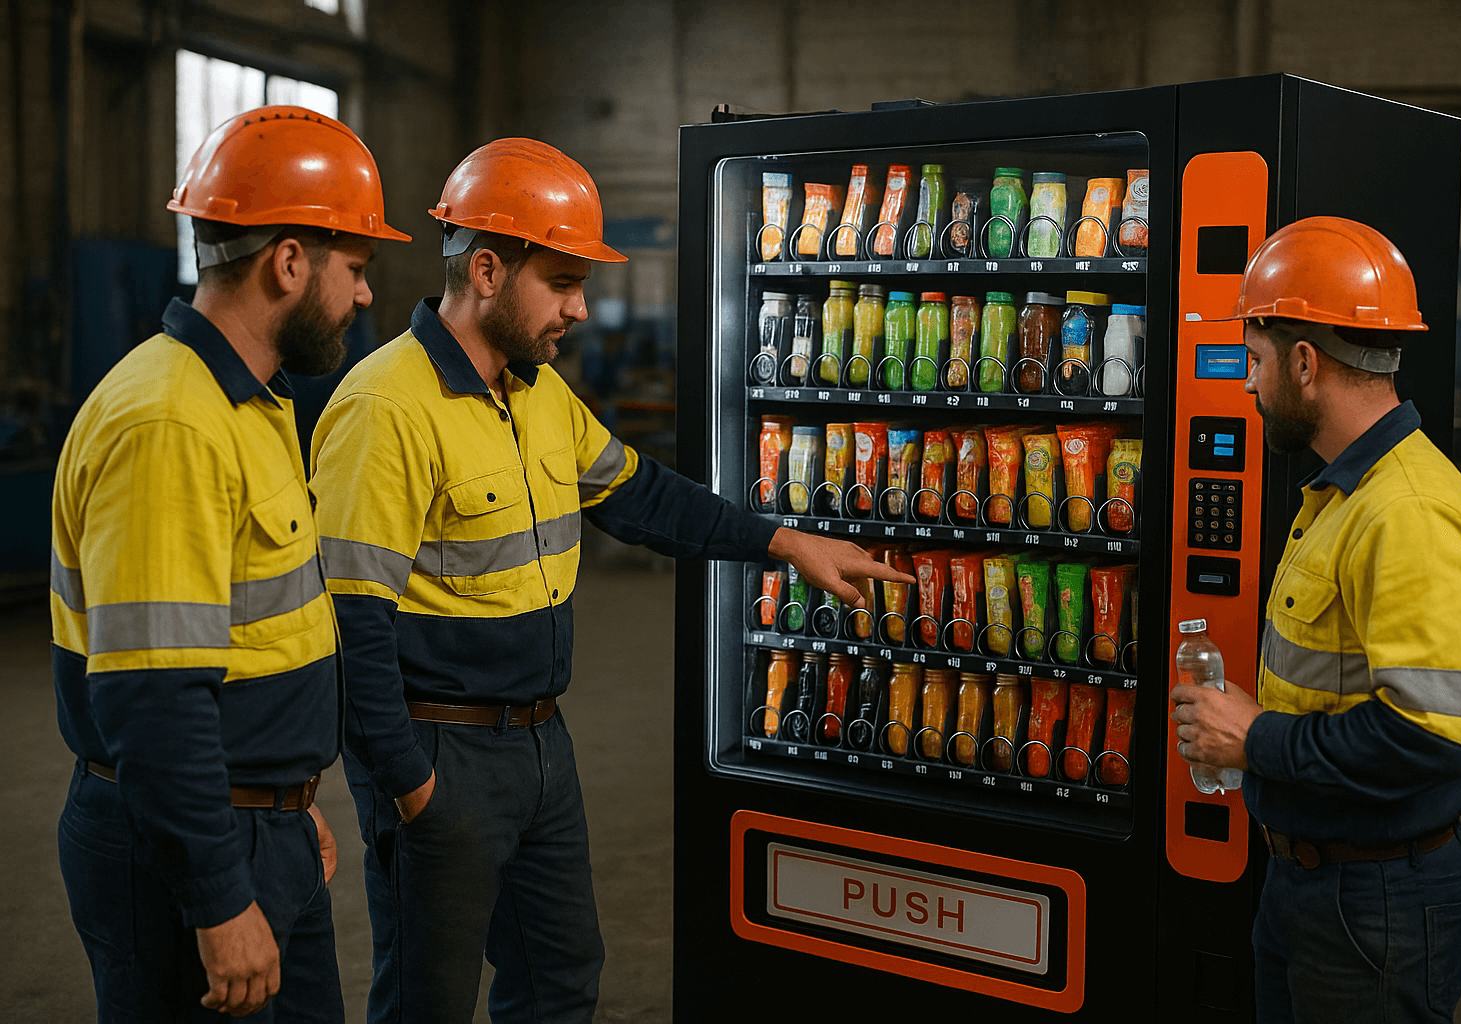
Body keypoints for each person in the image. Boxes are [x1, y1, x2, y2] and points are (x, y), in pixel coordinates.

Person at [308, 138, 909, 1023]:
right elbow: (352, 619)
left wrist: (783, 540)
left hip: (542, 744)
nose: (581, 309)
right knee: (427, 1001)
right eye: (561, 282)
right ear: (485, 269)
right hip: (441, 752)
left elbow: (641, 498)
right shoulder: (383, 409)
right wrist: (407, 783)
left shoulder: (538, 393)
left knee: (560, 979)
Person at [49, 106, 410, 1021]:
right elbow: (152, 692)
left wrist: (282, 796)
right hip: (186, 847)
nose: (366, 296)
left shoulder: (246, 401)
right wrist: (217, 890)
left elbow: (249, 637)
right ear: (289, 261)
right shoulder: (170, 424)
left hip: (257, 820)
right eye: (356, 267)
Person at [1170, 216, 1461, 1023]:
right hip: (1313, 884)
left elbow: (1429, 737)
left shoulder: (1409, 512)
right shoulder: (1343, 495)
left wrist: (1254, 740)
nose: (1245, 384)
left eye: (1254, 359)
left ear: (1306, 364)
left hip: (1377, 905)